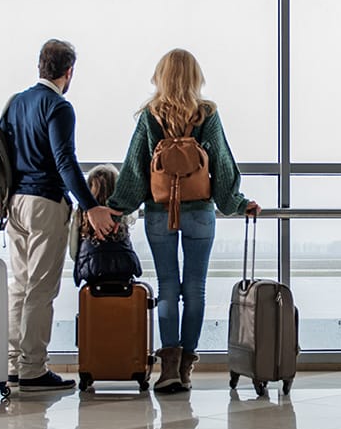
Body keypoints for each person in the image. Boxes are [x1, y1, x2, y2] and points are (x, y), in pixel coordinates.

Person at [107, 48, 260, 393]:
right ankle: (187, 366)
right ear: (195, 77)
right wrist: (237, 203)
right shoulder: (207, 115)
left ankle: (169, 370)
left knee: (167, 288)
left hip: (159, 213)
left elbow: (135, 169)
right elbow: (222, 166)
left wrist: (117, 207)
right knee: (195, 289)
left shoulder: (150, 116)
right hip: (200, 213)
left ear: (161, 76)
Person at [3, 39, 116, 391]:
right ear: (69, 72)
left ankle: (13, 364)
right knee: (40, 289)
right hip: (44, 204)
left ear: (40, 66)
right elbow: (65, 162)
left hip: (14, 203)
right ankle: (33, 368)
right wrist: (91, 206)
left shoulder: (16, 103)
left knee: (20, 286)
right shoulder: (58, 106)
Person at [70, 164, 142, 287]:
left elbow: (73, 253)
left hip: (90, 270)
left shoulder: (80, 214)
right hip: (124, 268)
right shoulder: (121, 213)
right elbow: (134, 213)